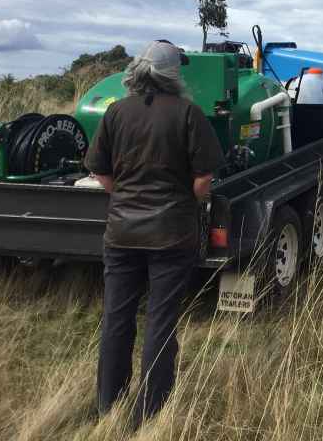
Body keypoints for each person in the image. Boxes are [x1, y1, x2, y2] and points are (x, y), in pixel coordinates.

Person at [85, 40, 225, 422]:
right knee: (160, 322)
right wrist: (185, 201)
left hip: (121, 234)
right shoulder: (188, 113)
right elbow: (203, 179)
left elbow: (100, 172)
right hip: (171, 234)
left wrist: (126, 196)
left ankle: (109, 404)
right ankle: (149, 412)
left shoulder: (116, 111)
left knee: (116, 317)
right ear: (173, 73)